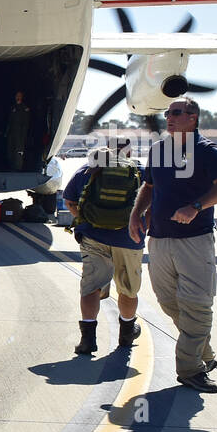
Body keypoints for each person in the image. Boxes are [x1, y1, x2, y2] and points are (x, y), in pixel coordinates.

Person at [128, 98, 217, 393]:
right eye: (167, 113)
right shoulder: (160, 149)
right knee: (168, 302)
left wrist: (196, 206)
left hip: (195, 240)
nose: (169, 118)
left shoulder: (205, 151)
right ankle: (204, 353)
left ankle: (189, 369)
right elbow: (149, 187)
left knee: (197, 306)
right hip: (160, 239)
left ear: (193, 117)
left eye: (176, 113)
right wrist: (136, 214)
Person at [63, 140, 144, 354]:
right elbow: (155, 202)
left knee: (91, 287)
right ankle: (126, 333)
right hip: (129, 239)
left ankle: (88, 340)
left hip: (93, 237)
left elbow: (68, 200)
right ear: (129, 152)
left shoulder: (88, 169)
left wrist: (86, 220)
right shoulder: (137, 170)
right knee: (128, 289)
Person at [5, 90, 31, 172]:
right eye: (17, 96)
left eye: (19, 96)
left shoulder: (25, 109)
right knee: (10, 151)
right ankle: (11, 167)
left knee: (19, 152)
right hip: (12, 133)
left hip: (20, 134)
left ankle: (18, 169)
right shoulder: (13, 108)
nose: (18, 97)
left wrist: (23, 135)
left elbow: (26, 123)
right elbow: (9, 121)